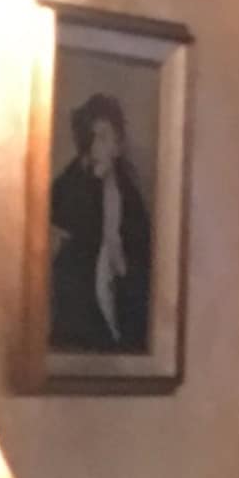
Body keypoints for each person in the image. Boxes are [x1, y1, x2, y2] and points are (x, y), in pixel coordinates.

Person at [48, 90, 149, 357]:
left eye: (105, 137)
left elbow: (141, 253)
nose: (98, 145)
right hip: (79, 310)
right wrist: (91, 182)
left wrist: (123, 266)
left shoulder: (129, 195)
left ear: (117, 143)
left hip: (120, 300)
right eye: (93, 137)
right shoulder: (70, 184)